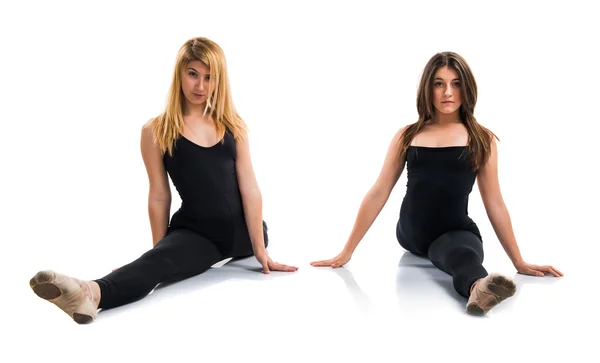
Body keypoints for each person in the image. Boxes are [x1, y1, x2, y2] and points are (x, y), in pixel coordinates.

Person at [30, 37, 298, 324]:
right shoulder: (156, 130)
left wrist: (260, 250)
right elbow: (159, 195)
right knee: (157, 263)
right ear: (179, 74)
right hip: (198, 234)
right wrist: (159, 255)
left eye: (209, 78)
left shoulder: (233, 125)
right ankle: (89, 293)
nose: (200, 86)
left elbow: (251, 188)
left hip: (246, 234)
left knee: (159, 261)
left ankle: (107, 284)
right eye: (193, 74)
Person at [311, 51, 563, 315]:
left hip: (456, 232)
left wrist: (519, 261)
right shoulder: (408, 135)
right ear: (427, 88)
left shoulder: (481, 139)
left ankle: (480, 288)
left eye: (456, 83)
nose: (448, 92)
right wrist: (346, 251)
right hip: (410, 233)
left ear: (466, 89)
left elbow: (495, 203)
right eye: (439, 83)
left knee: (461, 254)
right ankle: (478, 286)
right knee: (448, 249)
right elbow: (379, 192)